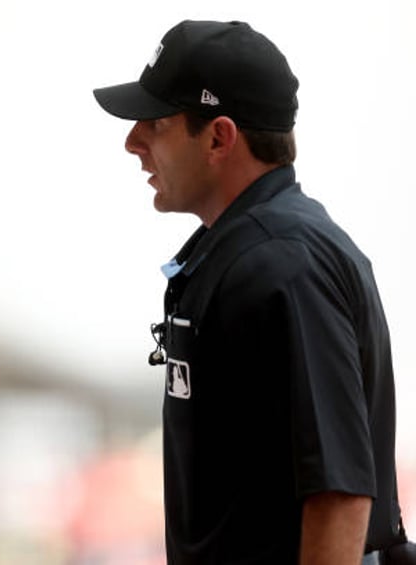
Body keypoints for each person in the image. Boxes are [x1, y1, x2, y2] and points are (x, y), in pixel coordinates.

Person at [93, 19, 414, 565]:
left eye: (156, 123)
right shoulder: (249, 251)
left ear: (219, 137)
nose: (133, 142)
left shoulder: (284, 263)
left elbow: (338, 495)